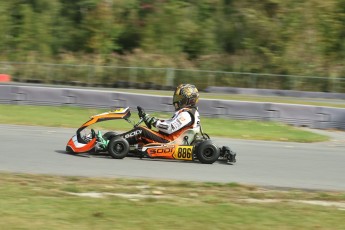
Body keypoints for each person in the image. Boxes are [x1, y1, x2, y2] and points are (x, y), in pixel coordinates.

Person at [121, 84, 200, 145]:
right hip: (168, 139)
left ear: (189, 100)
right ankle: (120, 142)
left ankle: (117, 141)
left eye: (179, 99)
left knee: (141, 130)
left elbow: (169, 128)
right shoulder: (188, 112)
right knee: (141, 134)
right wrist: (148, 118)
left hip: (169, 142)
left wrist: (153, 121)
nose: (176, 101)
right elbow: (170, 124)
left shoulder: (186, 115)